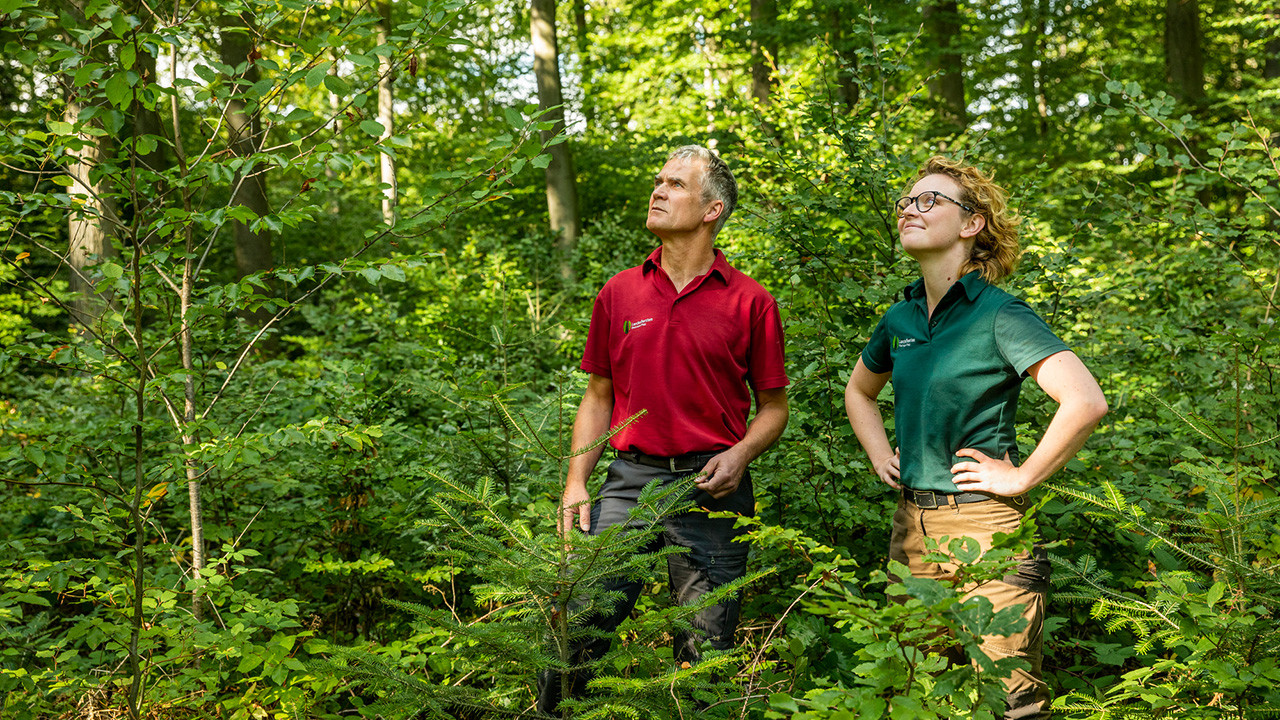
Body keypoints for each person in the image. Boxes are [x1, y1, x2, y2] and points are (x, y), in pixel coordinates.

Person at [844, 156, 1108, 719]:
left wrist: (1021, 475)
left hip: (986, 525)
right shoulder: (900, 319)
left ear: (971, 224)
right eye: (907, 201)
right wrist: (878, 455)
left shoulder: (999, 315)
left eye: (930, 200)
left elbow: (1085, 400)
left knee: (1010, 700)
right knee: (911, 692)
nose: (910, 209)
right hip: (910, 526)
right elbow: (859, 392)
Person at [538, 144, 790, 711]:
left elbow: (774, 408)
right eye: (659, 181)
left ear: (712, 210)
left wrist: (742, 453)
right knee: (575, 639)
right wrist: (577, 482)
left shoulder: (751, 301)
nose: (658, 191)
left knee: (707, 657)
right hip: (628, 482)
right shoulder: (620, 291)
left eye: (675, 184)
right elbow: (598, 396)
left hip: (712, 491)